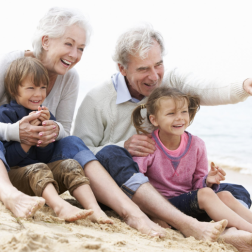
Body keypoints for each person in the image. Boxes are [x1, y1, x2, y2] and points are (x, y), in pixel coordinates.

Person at [0, 7, 178, 237]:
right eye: (69, 44)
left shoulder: (70, 78)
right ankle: (7, 194)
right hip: (7, 160)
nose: (74, 54)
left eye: (80, 48)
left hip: (39, 158)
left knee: (72, 141)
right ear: (45, 41)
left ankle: (130, 213)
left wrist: (53, 131)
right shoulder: (11, 63)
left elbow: (62, 135)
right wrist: (16, 133)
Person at [73, 24, 252, 249]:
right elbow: (78, 153)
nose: (154, 76)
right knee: (112, 153)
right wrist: (123, 146)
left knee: (236, 192)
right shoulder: (98, 99)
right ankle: (191, 224)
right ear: (123, 68)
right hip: (127, 188)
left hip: (176, 193)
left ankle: (228, 230)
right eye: (143, 69)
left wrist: (243, 86)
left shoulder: (170, 86)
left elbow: (204, 88)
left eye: (158, 65)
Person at [0, 57, 115, 224]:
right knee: (38, 168)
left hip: (45, 179)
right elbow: (8, 159)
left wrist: (45, 142)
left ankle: (94, 209)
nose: (38, 94)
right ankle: (59, 206)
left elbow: (46, 156)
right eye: (31, 88)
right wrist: (26, 142)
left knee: (70, 165)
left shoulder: (46, 115)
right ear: (14, 89)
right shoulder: (6, 115)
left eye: (43, 87)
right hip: (18, 177)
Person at [132, 86, 252, 236]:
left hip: (190, 205)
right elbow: (136, 185)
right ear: (154, 119)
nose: (180, 118)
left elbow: (197, 186)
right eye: (171, 113)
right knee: (206, 194)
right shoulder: (147, 146)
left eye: (184, 111)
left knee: (225, 195)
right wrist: (152, 214)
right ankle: (248, 230)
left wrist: (208, 180)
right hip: (163, 207)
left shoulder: (197, 144)